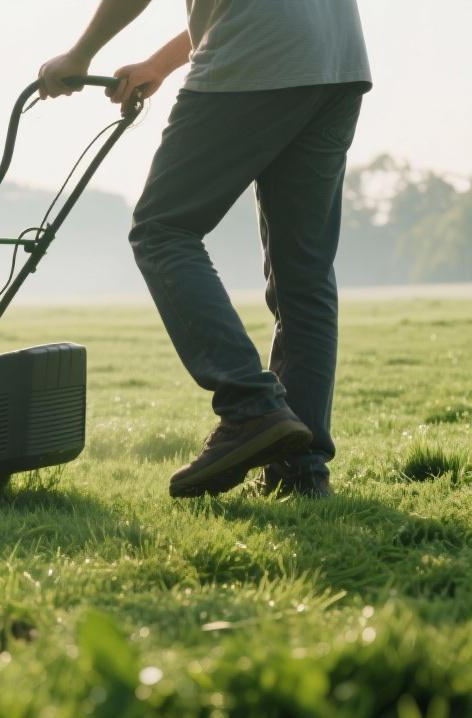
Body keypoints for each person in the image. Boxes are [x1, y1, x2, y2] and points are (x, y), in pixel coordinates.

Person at [38, 0, 371, 498]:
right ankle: (299, 469)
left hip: (254, 54)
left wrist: (80, 54)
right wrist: (158, 64)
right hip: (337, 62)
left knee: (162, 229)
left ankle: (250, 406)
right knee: (305, 274)